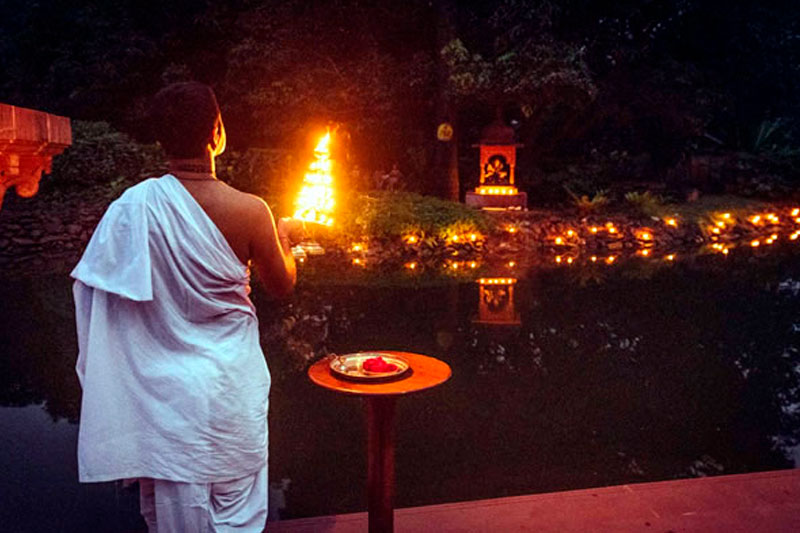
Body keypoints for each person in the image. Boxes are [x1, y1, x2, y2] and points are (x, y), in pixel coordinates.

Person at [71, 82, 302, 532]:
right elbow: (282, 286)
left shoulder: (132, 207)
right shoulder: (252, 210)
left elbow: (98, 293)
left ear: (161, 140)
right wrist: (287, 241)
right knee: (236, 513)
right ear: (217, 132)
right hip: (229, 388)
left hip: (163, 400)